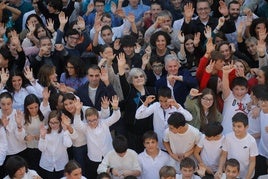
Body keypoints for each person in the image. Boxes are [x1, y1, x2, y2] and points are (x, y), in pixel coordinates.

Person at [73, 96, 120, 179]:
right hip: (93, 158)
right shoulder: (86, 127)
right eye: (89, 121)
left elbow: (116, 117)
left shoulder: (104, 123)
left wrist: (115, 108)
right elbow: (77, 125)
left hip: (108, 155)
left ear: (98, 117)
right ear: (86, 120)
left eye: (94, 120)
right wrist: (77, 111)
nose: (92, 123)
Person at [117, 53, 156, 153]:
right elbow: (122, 81)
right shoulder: (129, 90)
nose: (139, 78)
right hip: (132, 132)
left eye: (141, 76)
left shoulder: (151, 90)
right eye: (135, 77)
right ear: (131, 80)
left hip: (149, 130)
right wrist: (121, 67)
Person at [216, 112, 258, 179]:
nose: (235, 129)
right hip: (231, 174)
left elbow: (252, 162)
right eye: (234, 125)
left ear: (246, 127)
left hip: (245, 175)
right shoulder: (228, 137)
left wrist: (247, 177)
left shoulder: (251, 141)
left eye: (239, 126)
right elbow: (224, 155)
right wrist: (220, 169)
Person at [38, 110, 74, 179]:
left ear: (60, 122)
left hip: (61, 164)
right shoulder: (44, 130)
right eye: (51, 122)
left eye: (56, 123)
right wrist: (42, 137)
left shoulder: (64, 130)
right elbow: (41, 149)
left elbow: (68, 145)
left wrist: (66, 131)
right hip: (47, 164)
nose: (53, 125)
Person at [23, 90, 50, 173]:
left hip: (43, 147)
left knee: (43, 171)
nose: (34, 110)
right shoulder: (23, 118)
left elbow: (49, 127)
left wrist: (42, 135)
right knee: (33, 170)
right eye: (31, 108)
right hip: (30, 148)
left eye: (36, 107)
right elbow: (21, 133)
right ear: (26, 107)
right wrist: (26, 137)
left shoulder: (43, 115)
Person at [221, 64, 251, 135]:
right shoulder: (229, 96)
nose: (239, 92)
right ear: (232, 89)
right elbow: (225, 86)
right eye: (236, 89)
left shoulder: (249, 98)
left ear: (247, 90)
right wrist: (225, 74)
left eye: (242, 89)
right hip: (226, 134)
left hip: (244, 136)